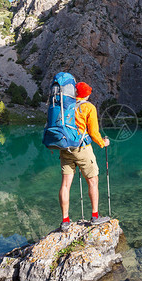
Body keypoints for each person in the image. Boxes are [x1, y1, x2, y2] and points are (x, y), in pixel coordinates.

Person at [59, 81, 110, 231]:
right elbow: (94, 132)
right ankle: (95, 216)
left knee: (66, 184)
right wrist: (103, 143)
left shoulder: (65, 106)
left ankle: (65, 221)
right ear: (86, 94)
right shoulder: (88, 107)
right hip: (82, 149)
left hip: (65, 148)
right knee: (93, 181)